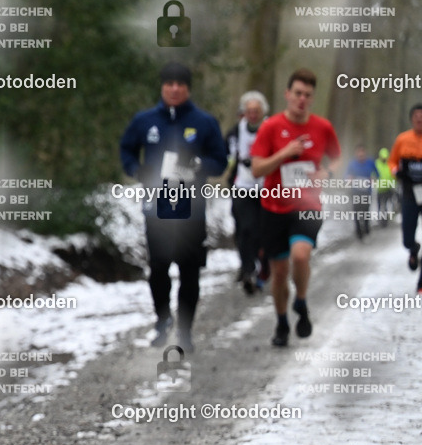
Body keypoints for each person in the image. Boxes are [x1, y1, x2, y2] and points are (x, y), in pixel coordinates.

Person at [120, 62, 227, 353]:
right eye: (169, 84)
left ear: (188, 88)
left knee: (190, 271)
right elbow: (126, 149)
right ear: (162, 87)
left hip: (191, 207)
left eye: (181, 84)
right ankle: (162, 320)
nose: (175, 89)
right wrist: (136, 169)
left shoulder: (204, 122)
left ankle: (185, 330)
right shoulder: (145, 121)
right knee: (158, 268)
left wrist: (200, 165)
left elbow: (221, 161)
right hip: (157, 205)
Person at [250, 69, 341, 347]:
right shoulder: (271, 127)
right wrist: (284, 154)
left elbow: (336, 159)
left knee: (300, 256)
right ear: (287, 94)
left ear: (313, 98)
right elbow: (256, 169)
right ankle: (281, 322)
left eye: (308, 95)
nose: (302, 99)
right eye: (298, 93)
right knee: (279, 272)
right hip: (274, 207)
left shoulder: (323, 127)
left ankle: (300, 301)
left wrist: (328, 173)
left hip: (308, 205)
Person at [225, 91, 269, 294]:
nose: (252, 114)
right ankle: (248, 269)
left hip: (267, 186)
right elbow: (226, 154)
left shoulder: (271, 128)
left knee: (263, 231)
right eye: (249, 111)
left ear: (263, 112)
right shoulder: (236, 131)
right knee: (244, 229)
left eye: (256, 111)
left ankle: (264, 266)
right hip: (242, 186)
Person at [387, 103, 422, 292]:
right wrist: (397, 171)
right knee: (406, 239)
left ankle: (421, 282)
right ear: (412, 119)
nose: (419, 119)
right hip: (410, 196)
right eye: (416, 116)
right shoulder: (402, 140)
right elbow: (391, 162)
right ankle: (413, 248)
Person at [345, 145, 378, 239]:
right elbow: (346, 175)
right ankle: (359, 231)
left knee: (366, 211)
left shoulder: (370, 162)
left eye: (362, 152)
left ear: (365, 153)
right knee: (356, 211)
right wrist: (349, 178)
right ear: (356, 154)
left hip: (367, 191)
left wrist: (374, 178)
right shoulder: (352, 164)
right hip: (355, 191)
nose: (360, 154)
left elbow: (377, 174)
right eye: (358, 153)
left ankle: (367, 229)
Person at [374, 146, 397, 225]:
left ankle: (386, 218)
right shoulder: (376, 164)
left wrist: (394, 184)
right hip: (380, 189)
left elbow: (393, 175)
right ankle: (381, 219)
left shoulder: (390, 164)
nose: (384, 159)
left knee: (388, 204)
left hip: (388, 188)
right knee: (380, 204)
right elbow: (373, 175)